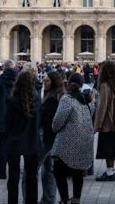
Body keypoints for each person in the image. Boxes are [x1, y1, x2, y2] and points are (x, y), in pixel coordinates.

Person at [51, 73, 94, 204]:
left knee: (59, 172)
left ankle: (64, 200)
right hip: (84, 142)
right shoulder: (87, 101)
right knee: (77, 173)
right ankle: (76, 199)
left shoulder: (67, 99)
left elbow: (57, 122)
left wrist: (54, 128)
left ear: (68, 84)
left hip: (67, 143)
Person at [5, 70, 43, 204]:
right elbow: (40, 123)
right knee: (32, 177)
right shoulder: (38, 101)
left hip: (14, 141)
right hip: (32, 141)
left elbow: (6, 123)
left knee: (13, 176)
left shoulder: (11, 101)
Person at [94, 61, 115, 182]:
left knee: (107, 147)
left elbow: (102, 106)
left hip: (107, 121)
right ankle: (111, 171)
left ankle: (110, 172)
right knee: (112, 146)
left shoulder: (105, 86)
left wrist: (98, 124)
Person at [40, 71, 64, 204]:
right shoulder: (50, 95)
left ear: (54, 82)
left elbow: (50, 118)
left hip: (47, 137)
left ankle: (43, 198)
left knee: (31, 170)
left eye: (47, 81)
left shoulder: (55, 98)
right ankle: (48, 199)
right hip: (51, 137)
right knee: (48, 169)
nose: (44, 83)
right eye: (44, 80)